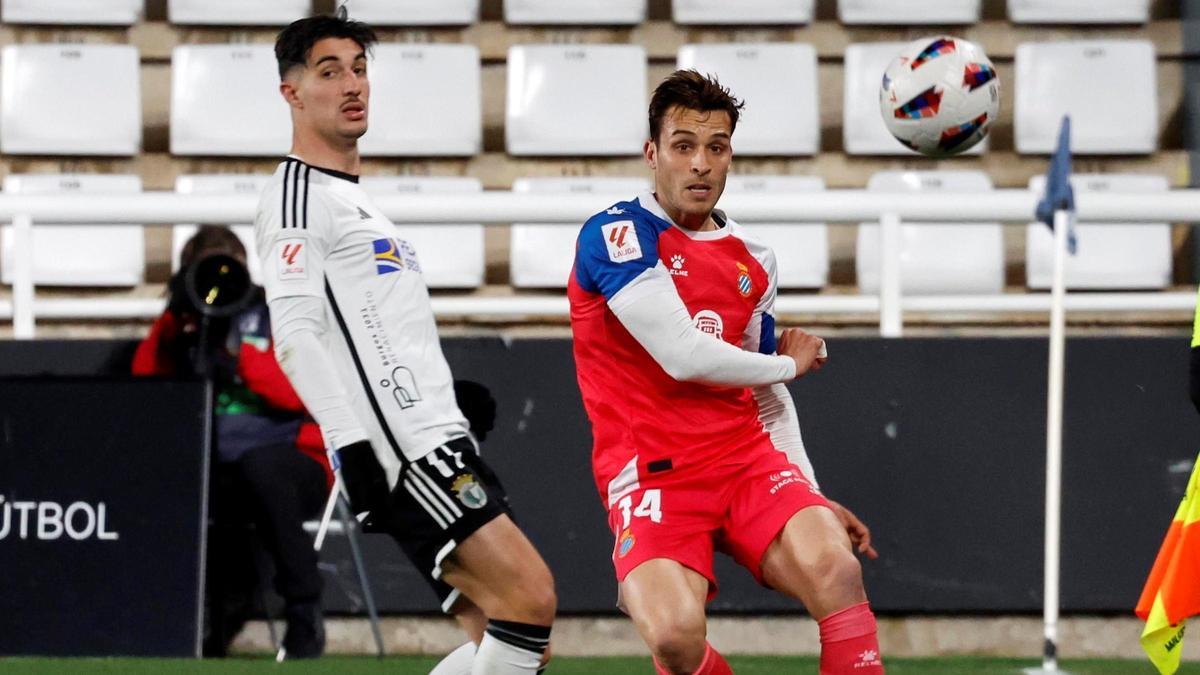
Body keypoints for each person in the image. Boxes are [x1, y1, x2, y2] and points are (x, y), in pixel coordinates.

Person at [254, 10, 556, 673]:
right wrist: (355, 445)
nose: (353, 85)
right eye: (330, 72)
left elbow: (373, 326)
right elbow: (296, 335)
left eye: (360, 69)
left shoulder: (354, 201)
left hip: (427, 432)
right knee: (530, 598)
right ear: (292, 92)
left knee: (504, 631)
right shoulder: (299, 197)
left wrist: (446, 397)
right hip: (398, 449)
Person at [568, 69, 884, 675]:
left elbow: (765, 397)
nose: (700, 164)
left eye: (716, 148)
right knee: (673, 639)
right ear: (652, 153)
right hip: (653, 472)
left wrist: (808, 492)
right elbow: (684, 355)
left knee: (837, 568)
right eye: (683, 146)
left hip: (744, 461)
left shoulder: (753, 260)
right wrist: (788, 362)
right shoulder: (616, 235)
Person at [133, 225, 330, 658]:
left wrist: (239, 361)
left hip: (294, 460)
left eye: (228, 268)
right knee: (169, 475)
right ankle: (177, 618)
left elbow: (306, 390)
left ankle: (303, 608)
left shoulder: (278, 311)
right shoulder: (185, 322)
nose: (217, 284)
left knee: (263, 469)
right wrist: (173, 320)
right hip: (213, 464)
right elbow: (145, 386)